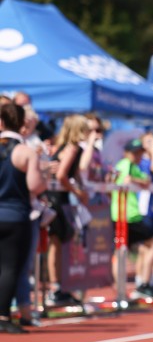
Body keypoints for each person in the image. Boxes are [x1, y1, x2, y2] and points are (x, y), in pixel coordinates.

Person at [1, 102, 46, 333]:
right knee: (10, 267)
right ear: (21, 123)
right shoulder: (25, 151)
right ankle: (3, 315)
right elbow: (35, 186)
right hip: (15, 214)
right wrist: (45, 175)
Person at [46, 114, 91, 307]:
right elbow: (63, 174)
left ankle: (60, 286)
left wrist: (81, 187)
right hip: (57, 199)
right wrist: (78, 191)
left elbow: (74, 173)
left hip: (60, 197)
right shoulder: (72, 147)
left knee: (62, 241)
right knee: (57, 242)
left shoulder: (68, 147)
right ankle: (56, 287)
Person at [112, 138, 153, 302]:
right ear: (127, 153)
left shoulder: (133, 166)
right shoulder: (125, 164)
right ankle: (139, 285)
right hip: (126, 215)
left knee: (126, 249)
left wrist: (137, 180)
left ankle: (137, 286)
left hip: (129, 215)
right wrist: (136, 181)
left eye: (140, 152)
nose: (138, 155)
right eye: (135, 152)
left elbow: (146, 181)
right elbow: (124, 181)